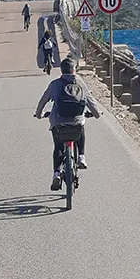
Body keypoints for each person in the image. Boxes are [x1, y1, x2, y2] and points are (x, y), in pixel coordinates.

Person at [34, 57, 102, 190]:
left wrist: (38, 114)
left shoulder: (54, 85)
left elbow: (43, 101)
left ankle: (56, 174)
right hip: (76, 121)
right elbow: (91, 102)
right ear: (73, 70)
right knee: (80, 127)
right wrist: (97, 114)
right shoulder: (81, 83)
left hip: (58, 123)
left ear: (62, 70)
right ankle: (81, 156)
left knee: (58, 147)